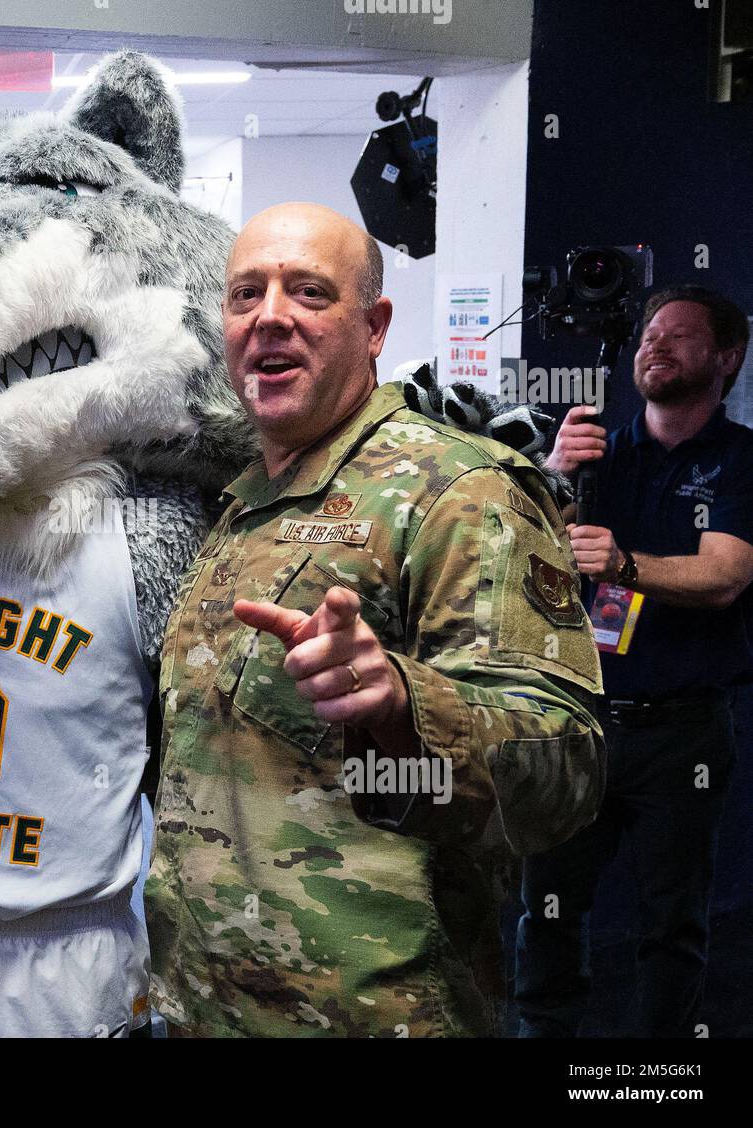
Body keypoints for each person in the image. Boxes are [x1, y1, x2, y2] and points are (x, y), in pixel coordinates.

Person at [143, 202, 607, 1037]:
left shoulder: (460, 492)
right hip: (203, 1011)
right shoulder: (242, 502)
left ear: (375, 325)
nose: (270, 315)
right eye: (246, 294)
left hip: (374, 1016)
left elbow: (564, 775)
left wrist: (401, 703)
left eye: (309, 291)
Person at [515, 285, 752, 1038]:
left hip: (680, 733)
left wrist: (621, 564)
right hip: (578, 720)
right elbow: (526, 565)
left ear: (728, 358)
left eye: (680, 336)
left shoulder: (742, 460)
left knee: (670, 928)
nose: (656, 345)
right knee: (548, 911)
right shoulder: (597, 453)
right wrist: (552, 476)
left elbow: (724, 577)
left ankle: (656, 1078)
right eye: (650, 333)